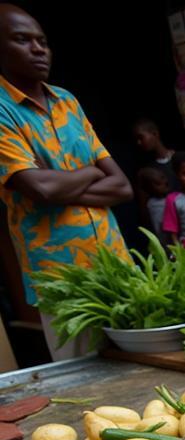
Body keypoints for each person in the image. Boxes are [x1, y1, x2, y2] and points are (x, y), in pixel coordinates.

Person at [0, 4, 131, 359]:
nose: (38, 48)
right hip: (61, 278)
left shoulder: (67, 102)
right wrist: (91, 171)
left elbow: (121, 186)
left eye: (42, 41)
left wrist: (63, 180)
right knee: (87, 382)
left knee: (139, 368)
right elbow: (40, 189)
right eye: (22, 40)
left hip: (115, 266)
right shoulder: (2, 109)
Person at [132, 117, 175, 189]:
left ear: (155, 134)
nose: (138, 143)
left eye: (141, 137)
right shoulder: (145, 171)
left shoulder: (179, 158)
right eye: (136, 139)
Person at [137, 165, 170, 244]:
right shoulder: (154, 205)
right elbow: (161, 229)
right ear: (148, 188)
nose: (164, 184)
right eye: (158, 184)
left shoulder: (169, 198)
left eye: (163, 178)